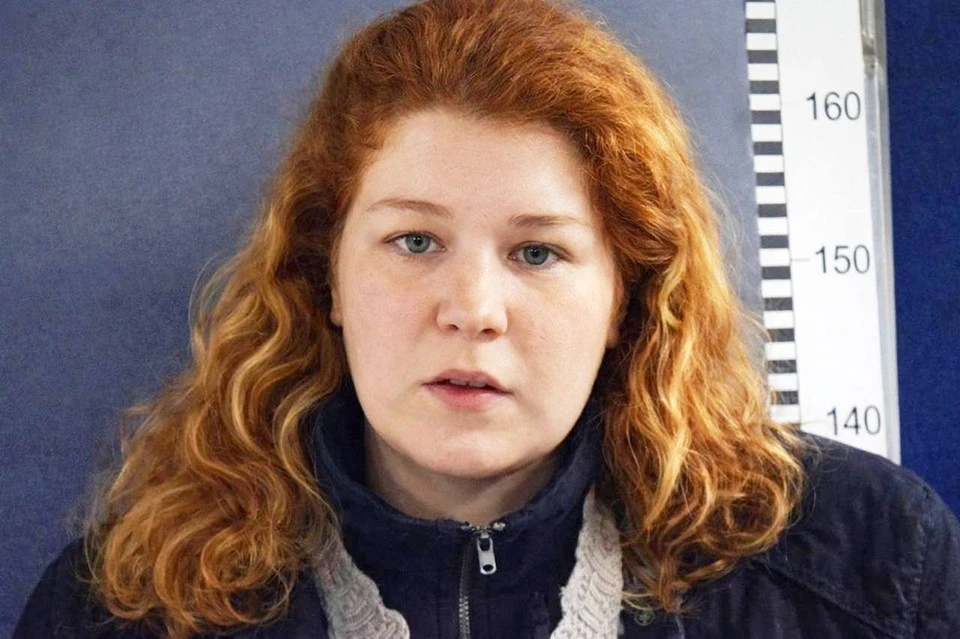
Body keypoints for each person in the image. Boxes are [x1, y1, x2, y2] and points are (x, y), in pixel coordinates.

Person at [14, 0, 960, 637]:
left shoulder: (875, 566)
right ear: (327, 276)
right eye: (414, 241)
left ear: (625, 298)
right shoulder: (119, 608)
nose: (471, 310)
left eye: (537, 252)